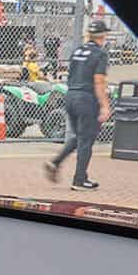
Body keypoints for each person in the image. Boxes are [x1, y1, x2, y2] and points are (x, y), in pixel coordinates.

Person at [45, 19, 113, 190]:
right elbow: (99, 81)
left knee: (79, 137)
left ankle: (56, 162)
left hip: (71, 96)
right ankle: (80, 180)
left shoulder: (78, 51)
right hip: (87, 99)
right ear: (103, 36)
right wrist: (105, 105)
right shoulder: (100, 54)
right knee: (86, 140)